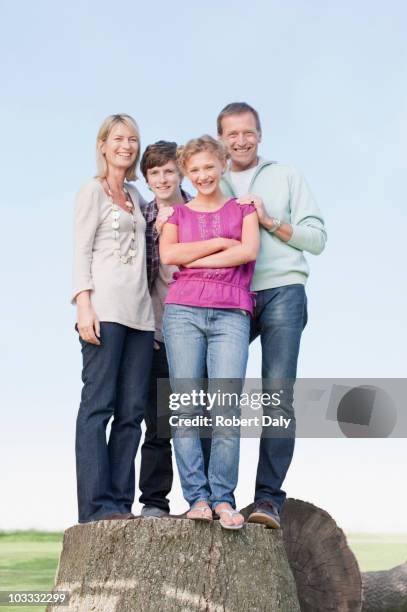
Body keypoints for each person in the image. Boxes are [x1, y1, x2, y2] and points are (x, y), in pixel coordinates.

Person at [217, 102, 327, 528]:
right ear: (222, 139)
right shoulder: (213, 179)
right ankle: (213, 496)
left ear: (259, 135)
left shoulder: (286, 175)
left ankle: (267, 500)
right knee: (216, 392)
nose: (241, 141)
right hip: (232, 295)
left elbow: (317, 239)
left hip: (283, 290)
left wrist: (268, 219)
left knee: (276, 396)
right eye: (232, 134)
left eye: (248, 132)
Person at [160, 135, 260, 529]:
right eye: (194, 169)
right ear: (187, 172)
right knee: (185, 406)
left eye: (208, 167)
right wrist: (220, 242)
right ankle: (197, 498)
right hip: (183, 311)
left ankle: (222, 499)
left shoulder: (244, 209)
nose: (202, 175)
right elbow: (170, 255)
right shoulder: (176, 215)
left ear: (222, 165)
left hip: (231, 313)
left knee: (226, 408)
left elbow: (248, 251)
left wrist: (196, 254)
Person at [72, 113, 155, 523]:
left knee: (131, 412)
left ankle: (120, 504)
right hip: (104, 311)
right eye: (119, 138)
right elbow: (80, 251)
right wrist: (83, 305)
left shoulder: (138, 197)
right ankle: (95, 508)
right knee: (98, 408)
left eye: (134, 139)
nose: (127, 145)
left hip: (141, 318)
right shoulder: (92, 192)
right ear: (103, 144)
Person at [138, 141, 192, 519]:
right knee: (158, 426)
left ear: (181, 173)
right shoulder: (140, 216)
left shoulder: (201, 210)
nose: (161, 178)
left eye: (168, 171)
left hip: (195, 331)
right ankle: (155, 502)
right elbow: (134, 274)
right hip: (156, 332)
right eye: (154, 173)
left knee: (198, 419)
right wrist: (154, 233)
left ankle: (204, 500)